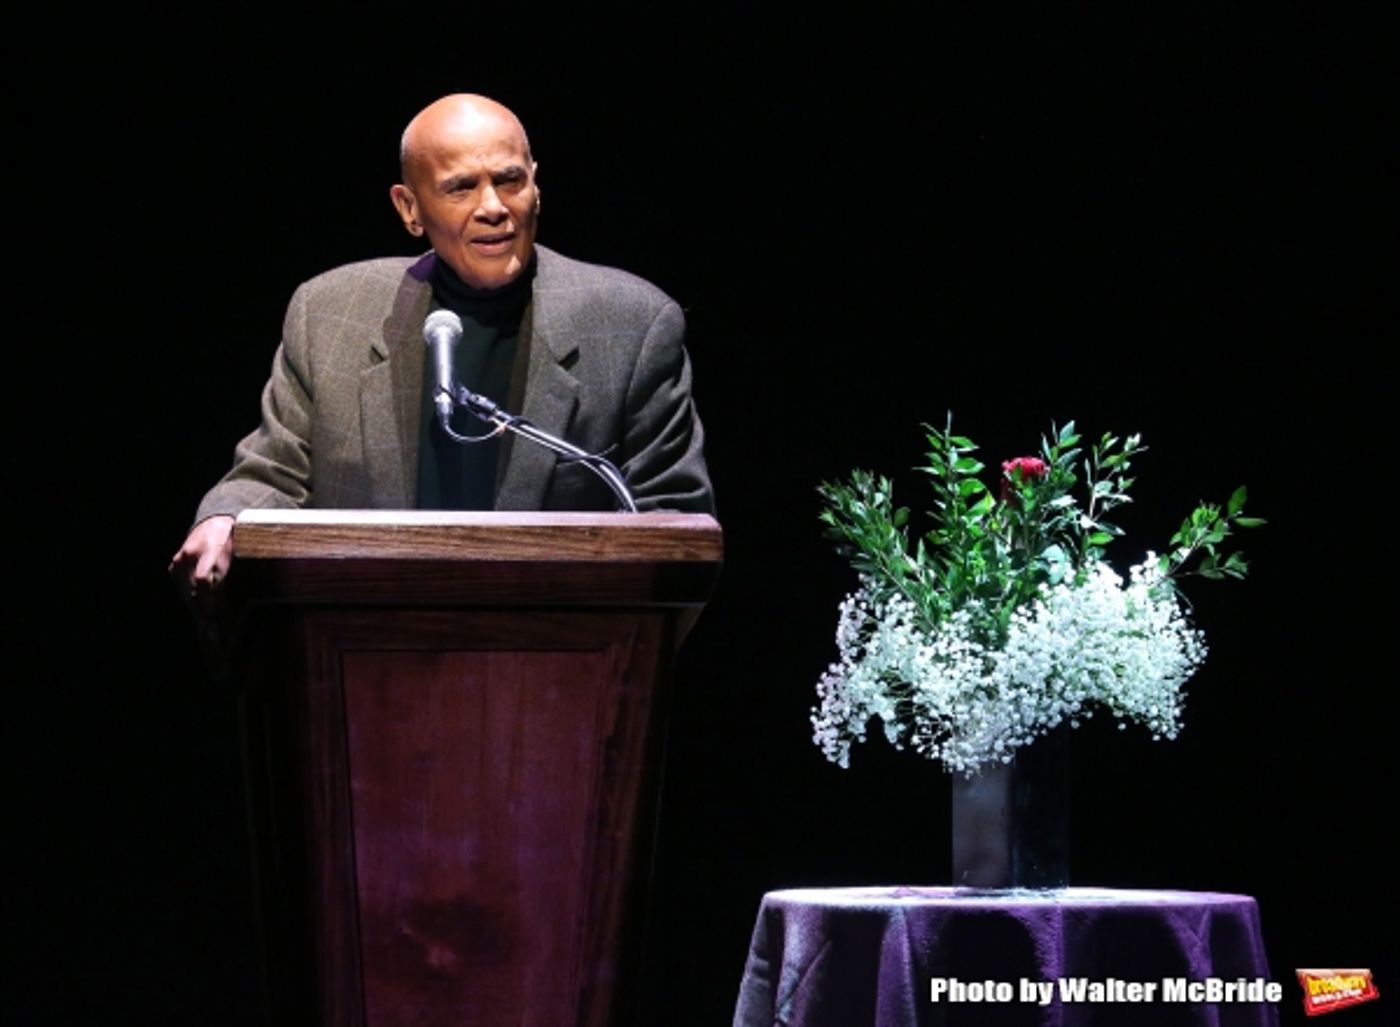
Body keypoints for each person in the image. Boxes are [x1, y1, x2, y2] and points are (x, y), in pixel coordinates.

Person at [169, 93, 714, 601]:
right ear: (409, 208)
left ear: (537, 185)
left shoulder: (632, 325)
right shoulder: (330, 314)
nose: (494, 207)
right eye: (460, 188)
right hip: (368, 662)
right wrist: (226, 518)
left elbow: (678, 525)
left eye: (510, 181)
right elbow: (272, 472)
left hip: (559, 668)